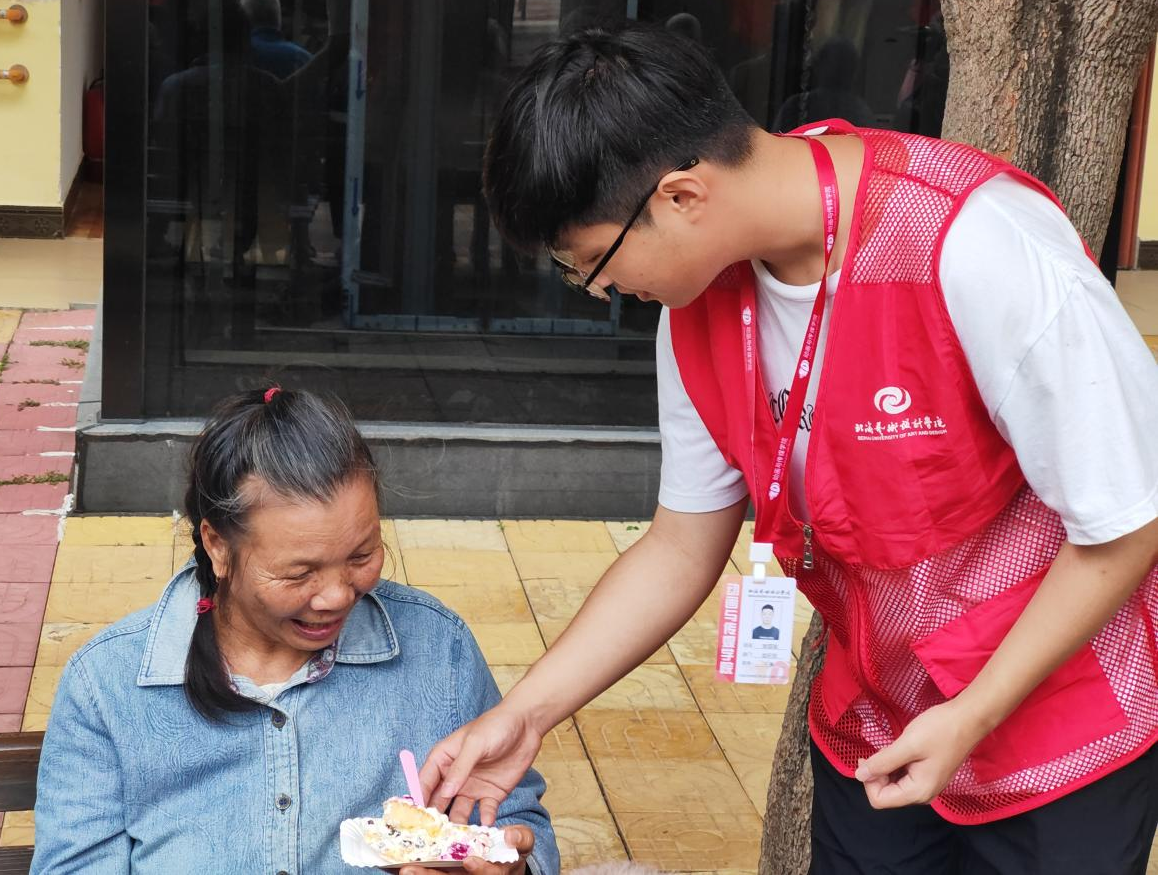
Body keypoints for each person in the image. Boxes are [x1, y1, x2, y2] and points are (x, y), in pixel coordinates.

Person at [419, 25, 1159, 874]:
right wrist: (526, 712)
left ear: (682, 195)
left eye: (593, 262)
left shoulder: (975, 244)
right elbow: (679, 544)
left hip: (1055, 730)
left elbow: (1124, 524)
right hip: (878, 723)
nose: (602, 290)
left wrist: (973, 713)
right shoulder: (696, 309)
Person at [32, 389, 559, 875]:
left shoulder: (438, 647)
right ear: (217, 546)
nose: (336, 596)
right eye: (299, 573)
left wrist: (510, 865)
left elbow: (518, 826)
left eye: (361, 556)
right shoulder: (107, 683)